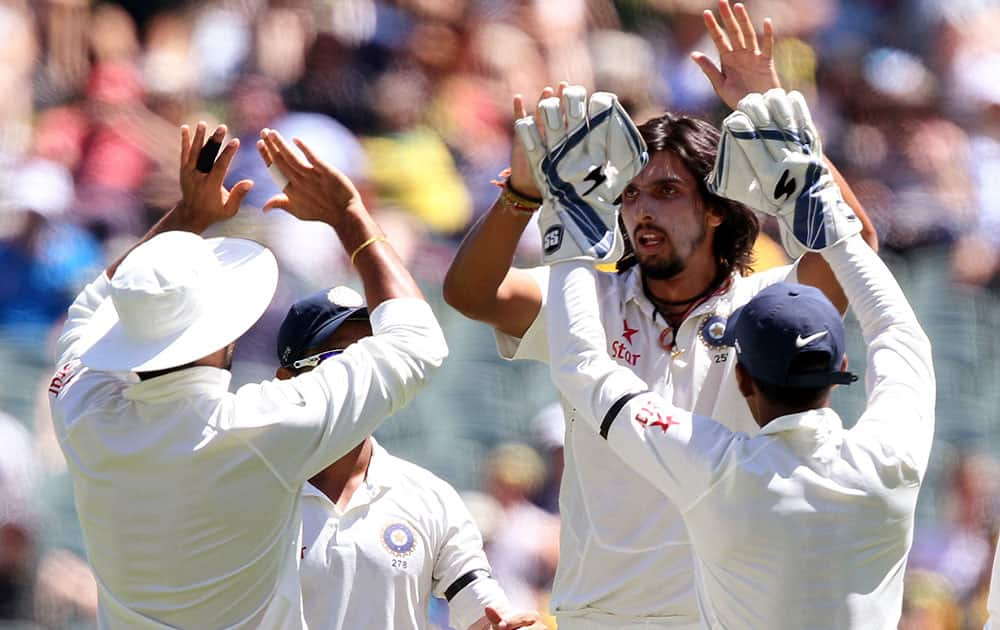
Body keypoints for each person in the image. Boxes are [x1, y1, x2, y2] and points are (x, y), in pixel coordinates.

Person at [444, 2, 877, 627]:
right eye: (630, 194)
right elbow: (470, 294)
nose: (641, 211)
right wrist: (524, 193)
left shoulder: (767, 307)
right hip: (599, 614)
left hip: (726, 615)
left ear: (717, 209)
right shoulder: (586, 300)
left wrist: (771, 105)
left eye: (667, 192)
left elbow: (852, 246)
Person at [540, 88, 935, 628]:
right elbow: (897, 330)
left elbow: (583, 366)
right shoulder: (891, 460)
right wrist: (817, 195)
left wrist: (567, 218)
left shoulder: (717, 468)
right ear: (841, 373)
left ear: (743, 377)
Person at [47, 121, 448, 628]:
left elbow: (97, 304)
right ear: (223, 331)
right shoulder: (264, 427)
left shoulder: (82, 409)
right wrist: (349, 217)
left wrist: (187, 216)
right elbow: (418, 340)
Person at [273, 287, 545, 630]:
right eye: (339, 361)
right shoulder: (248, 494)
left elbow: (482, 608)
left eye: (373, 357)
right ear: (287, 380)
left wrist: (506, 625)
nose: (362, 377)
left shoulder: (430, 496)